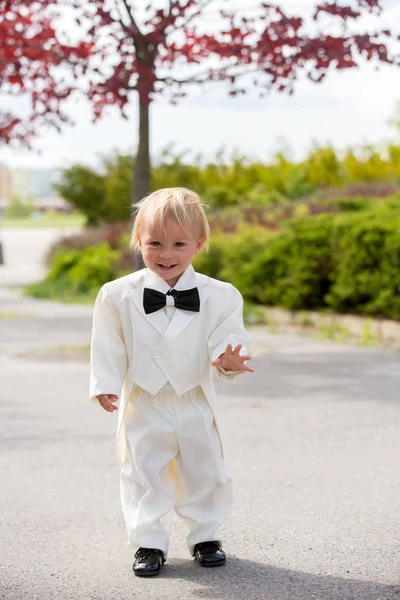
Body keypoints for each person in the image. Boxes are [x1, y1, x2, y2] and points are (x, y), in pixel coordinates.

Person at [90, 187, 254, 577]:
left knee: (206, 468)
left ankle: (205, 534)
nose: (167, 254)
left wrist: (229, 360)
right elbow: (108, 343)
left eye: (179, 243)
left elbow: (229, 338)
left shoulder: (221, 295)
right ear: (138, 242)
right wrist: (105, 382)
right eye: (155, 243)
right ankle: (148, 541)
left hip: (194, 397)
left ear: (199, 244)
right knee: (142, 471)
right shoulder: (117, 295)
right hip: (144, 401)